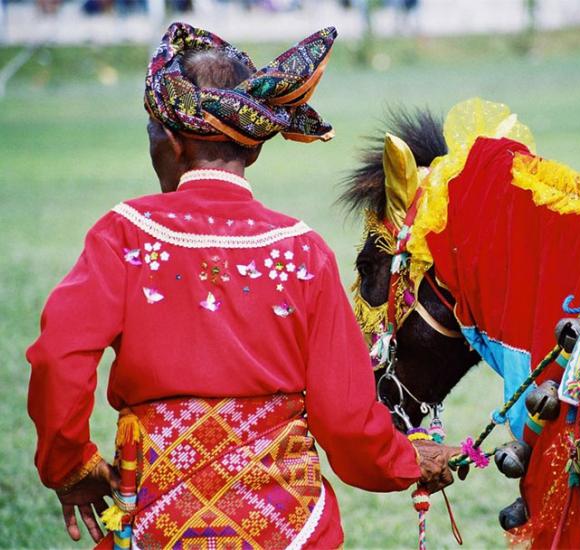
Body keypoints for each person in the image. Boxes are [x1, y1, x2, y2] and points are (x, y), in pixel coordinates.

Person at [27, 22, 459, 548]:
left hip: (155, 523)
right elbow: (345, 420)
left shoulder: (124, 234)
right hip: (291, 528)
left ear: (167, 139)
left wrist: (70, 465)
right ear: (252, 150)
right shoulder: (305, 251)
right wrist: (404, 460)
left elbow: (58, 358)